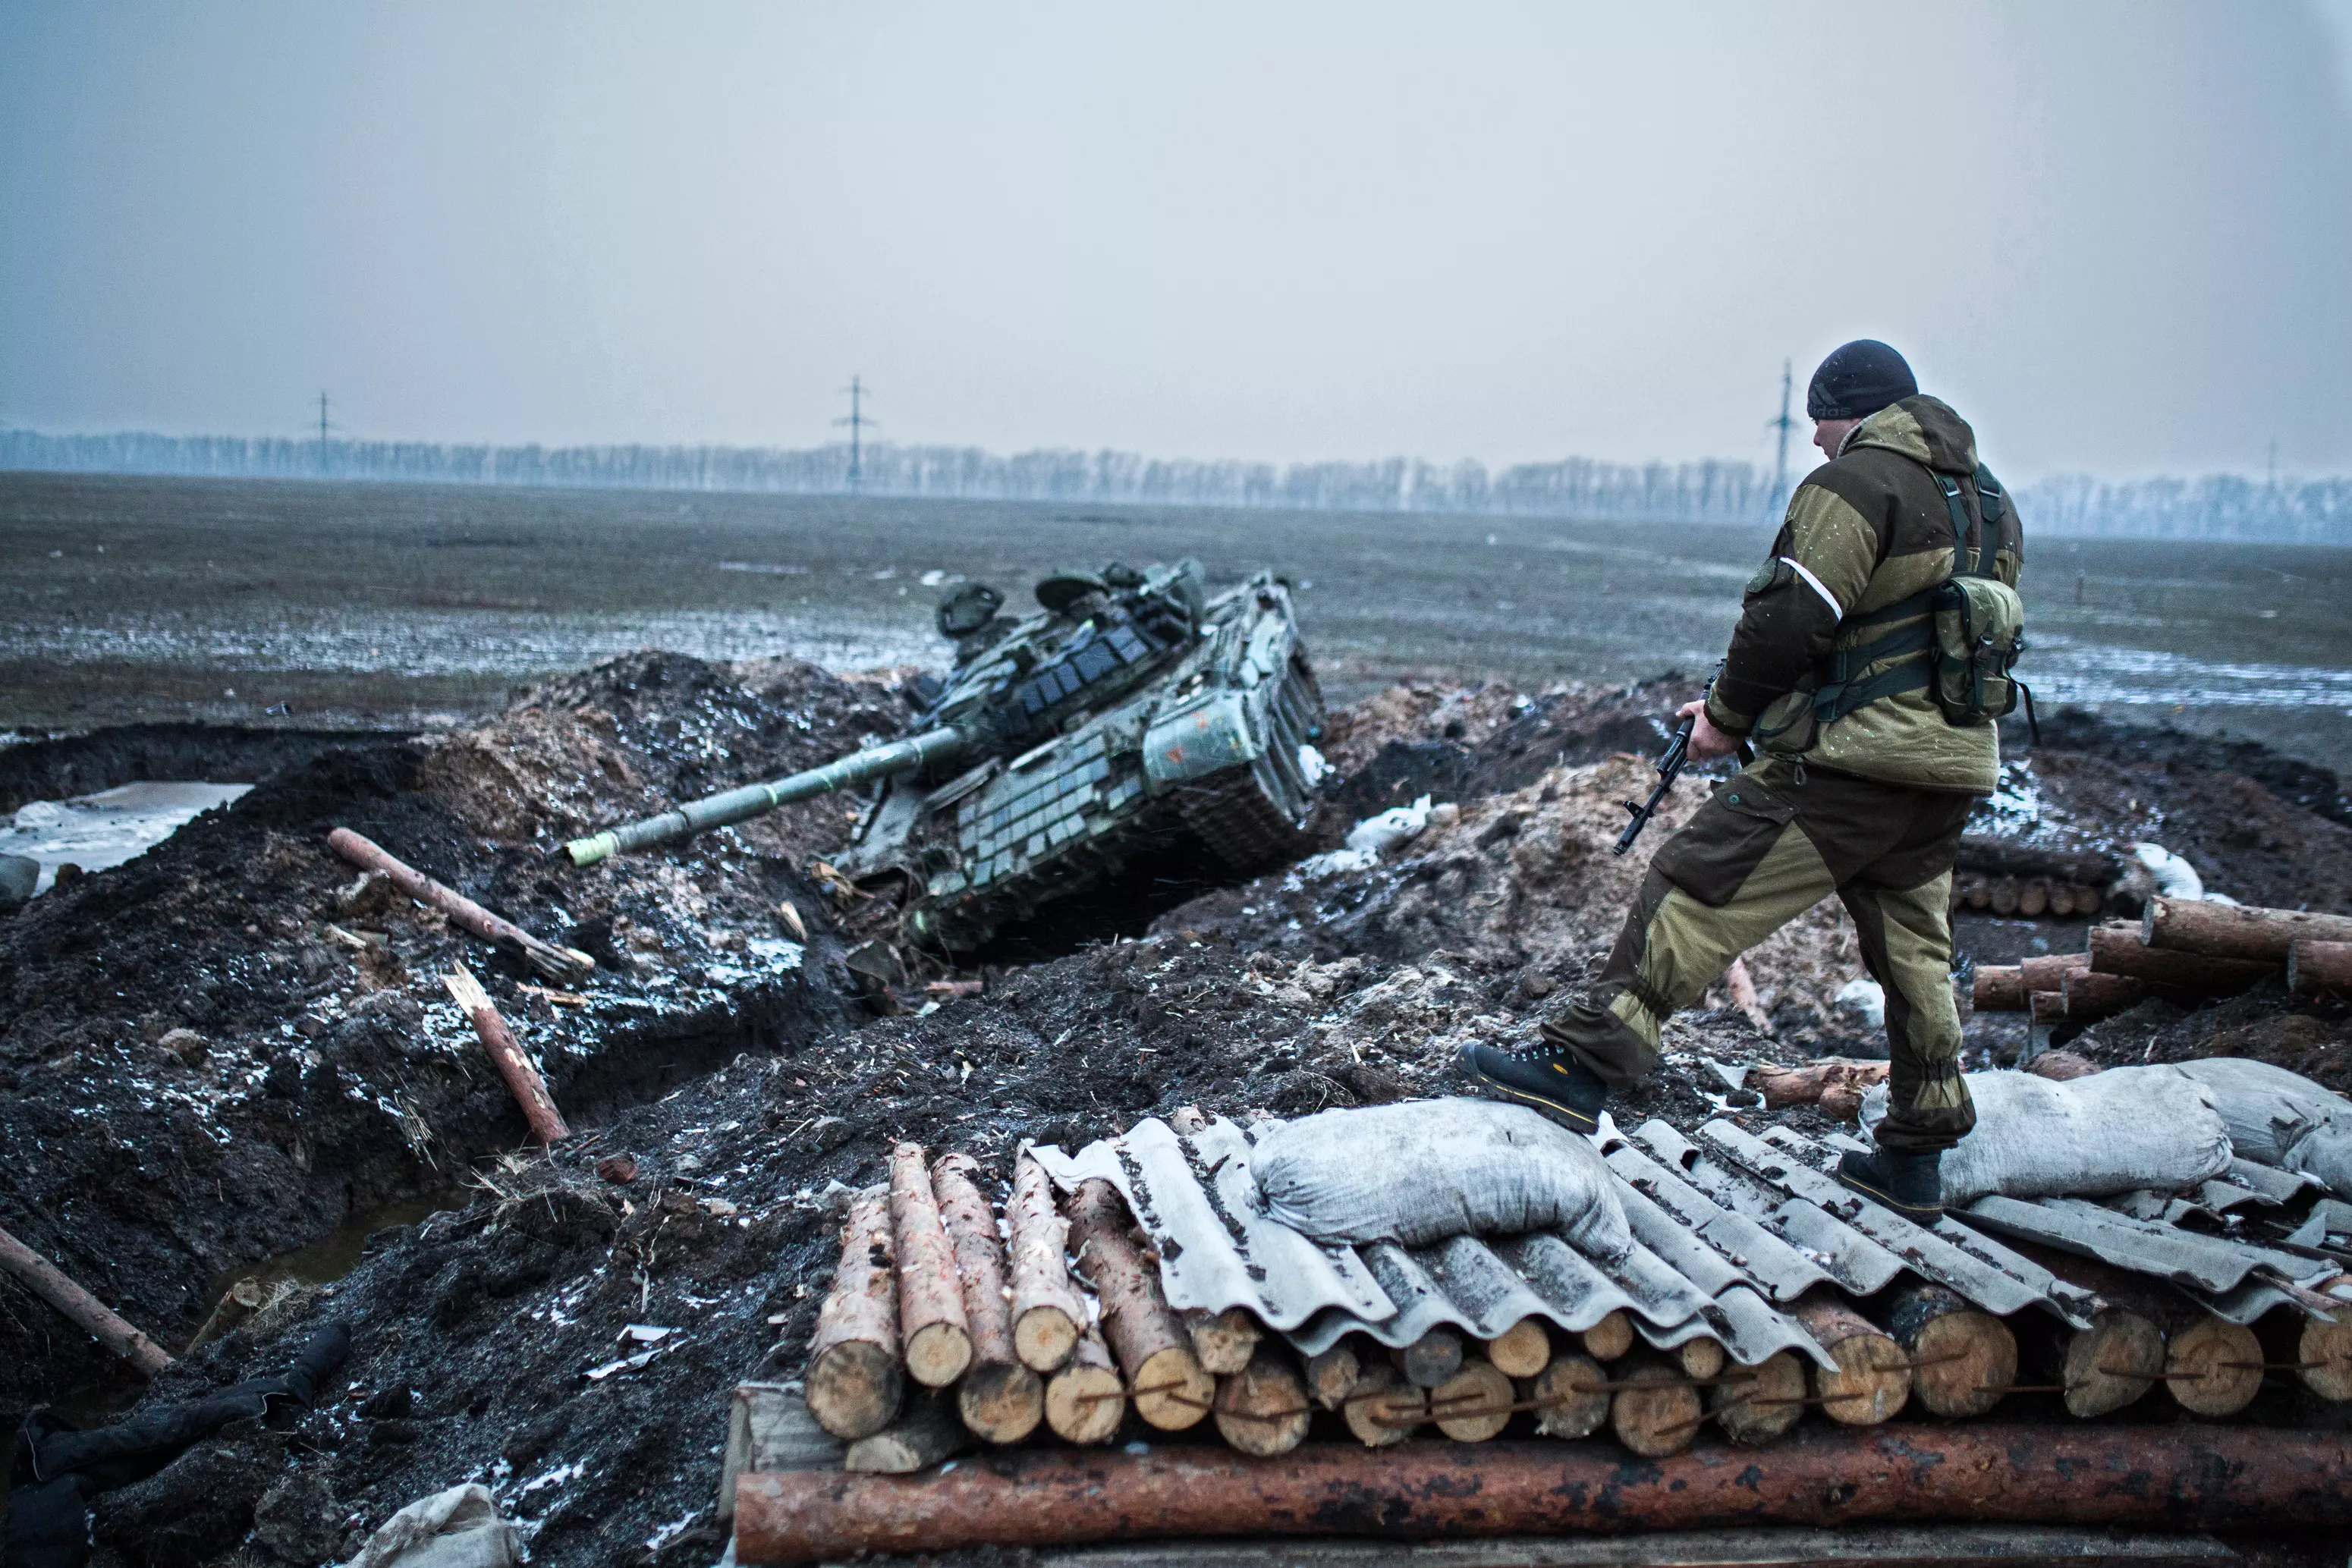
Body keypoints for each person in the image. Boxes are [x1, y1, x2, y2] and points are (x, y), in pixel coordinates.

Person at [1462, 339, 2022, 1221]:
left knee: (1696, 883)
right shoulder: (1988, 503)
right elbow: (1908, 641)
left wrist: (1725, 718)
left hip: (1854, 767)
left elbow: (1790, 616)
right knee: (1914, 953)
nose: (1812, 443)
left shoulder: (1856, 484)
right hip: (1948, 769)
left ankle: (1582, 1067)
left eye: (1818, 422)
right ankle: (1918, 1149)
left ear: (1855, 411)